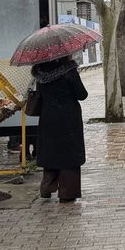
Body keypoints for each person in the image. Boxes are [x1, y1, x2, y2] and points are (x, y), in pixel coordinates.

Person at [32, 56, 88, 202]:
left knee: (51, 151)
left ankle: (46, 188)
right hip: (68, 118)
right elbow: (82, 95)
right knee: (69, 154)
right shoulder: (69, 71)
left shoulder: (40, 72)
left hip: (48, 117)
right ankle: (67, 193)